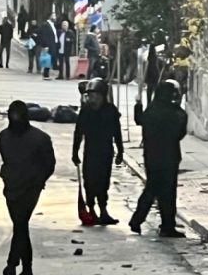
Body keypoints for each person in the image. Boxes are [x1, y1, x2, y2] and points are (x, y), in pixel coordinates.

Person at [0, 100, 56, 275]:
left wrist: (38, 180)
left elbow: (50, 164)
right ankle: (22, 269)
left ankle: (15, 265)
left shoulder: (40, 139)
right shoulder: (3, 137)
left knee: (21, 224)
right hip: (12, 187)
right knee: (20, 226)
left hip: (29, 188)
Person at [129, 80, 188, 238]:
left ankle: (138, 219)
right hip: (169, 157)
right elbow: (180, 133)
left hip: (151, 156)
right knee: (167, 193)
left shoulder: (152, 110)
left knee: (151, 189)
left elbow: (139, 119)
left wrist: (137, 105)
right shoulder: (175, 113)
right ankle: (166, 225)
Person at [71, 78, 124, 225]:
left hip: (106, 152)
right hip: (90, 152)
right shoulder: (86, 111)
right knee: (89, 181)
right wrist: (75, 152)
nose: (93, 99)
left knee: (103, 181)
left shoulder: (111, 111)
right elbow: (78, 132)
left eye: (95, 96)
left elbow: (117, 132)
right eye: (90, 96)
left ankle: (103, 210)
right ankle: (91, 209)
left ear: (102, 96)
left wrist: (120, 151)